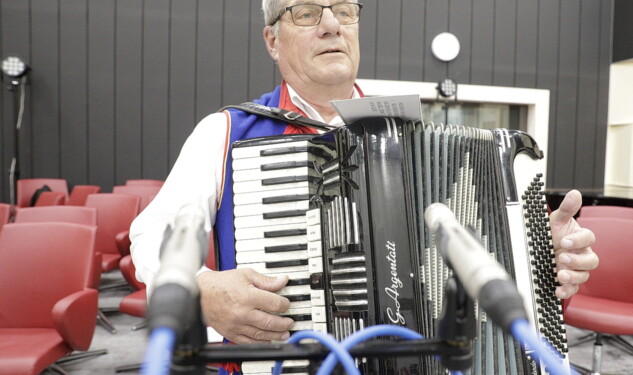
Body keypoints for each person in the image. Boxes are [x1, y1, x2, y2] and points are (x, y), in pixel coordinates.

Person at [131, 0, 597, 357]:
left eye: (345, 11)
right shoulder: (227, 131)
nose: (331, 24)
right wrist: (198, 290)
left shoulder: (415, 135)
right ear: (272, 40)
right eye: (307, 12)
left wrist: (534, 256)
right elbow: (151, 235)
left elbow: (459, 258)